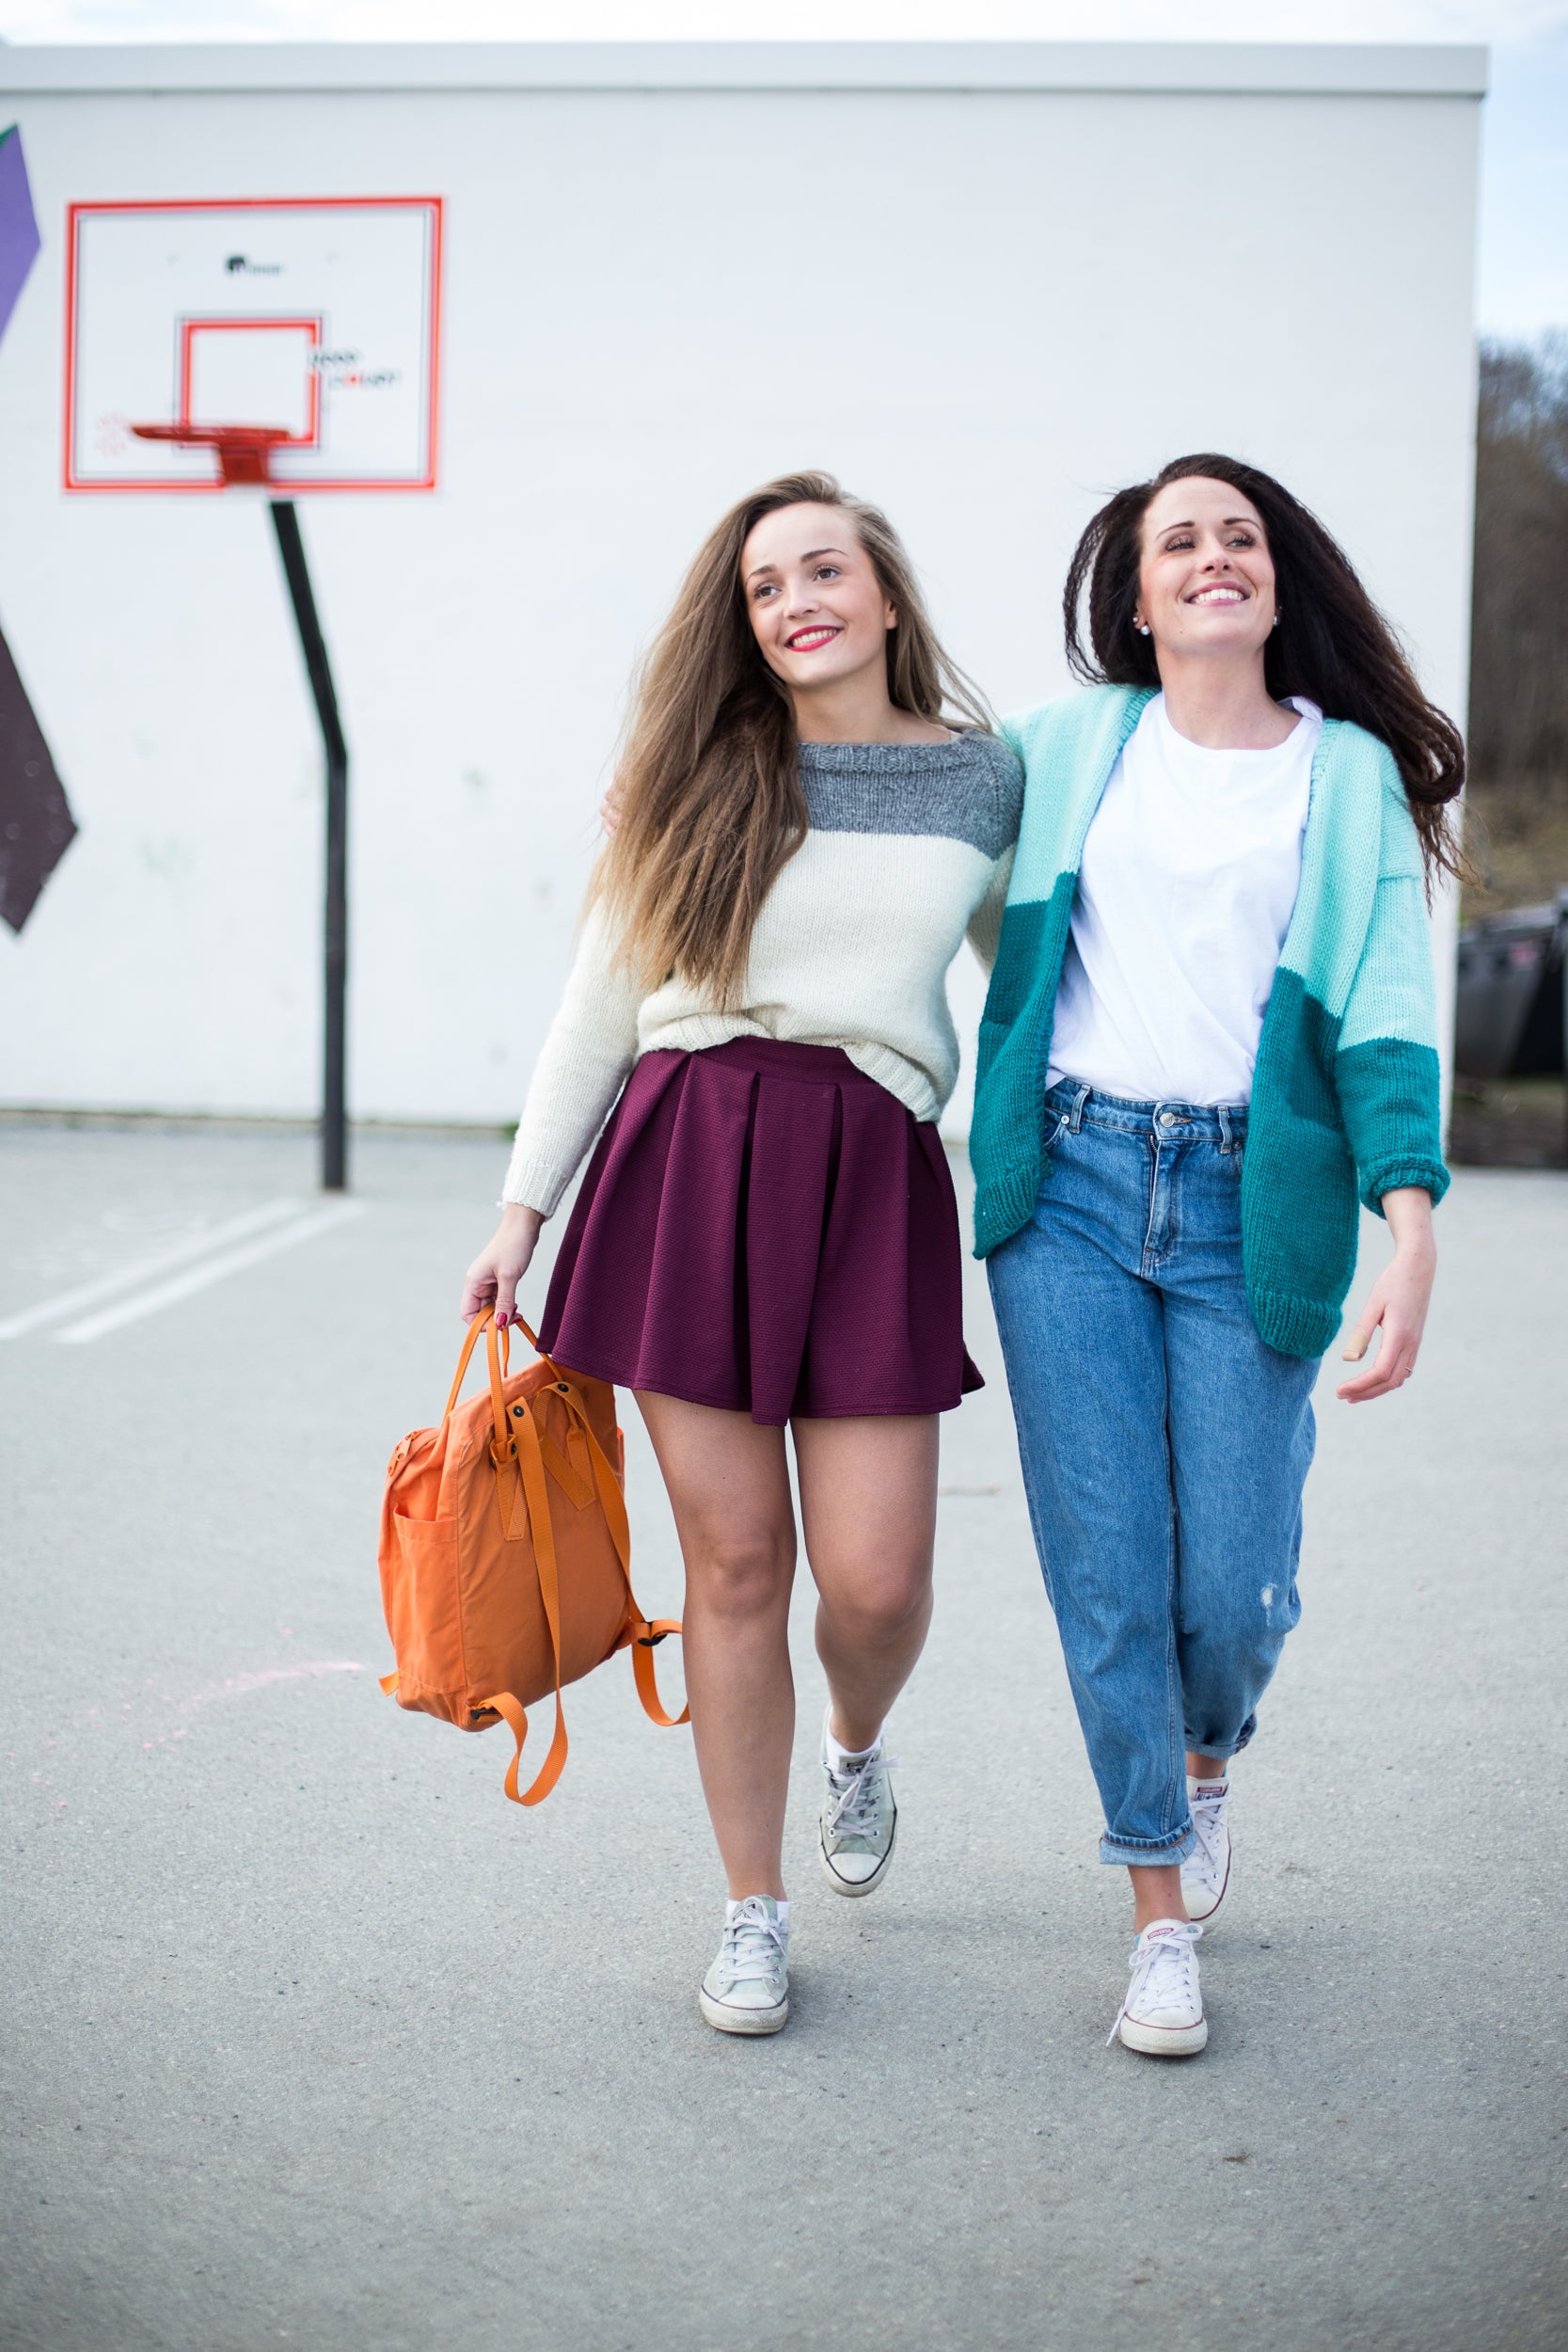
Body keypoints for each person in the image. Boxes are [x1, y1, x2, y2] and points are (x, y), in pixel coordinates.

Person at [462, 471, 1022, 2036]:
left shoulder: (987, 783)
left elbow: (1036, 990)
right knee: (735, 1560)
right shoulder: (698, 772)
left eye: (822, 571)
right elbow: (601, 994)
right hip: (691, 1151)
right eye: (766, 588)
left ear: (889, 599)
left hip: (872, 1172)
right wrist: (524, 1210)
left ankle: (856, 1734)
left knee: (878, 1577)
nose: (795, 603)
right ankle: (751, 1908)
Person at [971, 453, 1463, 2058]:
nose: (1210, 558)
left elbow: (1384, 1006)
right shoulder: (1060, 750)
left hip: (1257, 1190)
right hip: (1073, 1188)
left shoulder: (1352, 777)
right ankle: (1156, 1911)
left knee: (1232, 1592)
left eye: (1236, 535)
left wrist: (1409, 1221)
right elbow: (897, 832)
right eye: (1176, 541)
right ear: (1135, 592)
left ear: (1274, 575)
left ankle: (1205, 1759)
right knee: (1107, 1570)